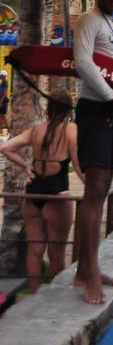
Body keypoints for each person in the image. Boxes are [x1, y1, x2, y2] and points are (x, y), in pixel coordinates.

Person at [73, 0, 113, 305]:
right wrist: (111, 101)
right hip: (96, 112)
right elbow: (83, 63)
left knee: (104, 189)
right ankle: (90, 273)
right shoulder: (89, 21)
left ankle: (85, 268)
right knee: (93, 191)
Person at [0, 89, 84, 292]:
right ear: (67, 109)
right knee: (57, 252)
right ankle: (54, 297)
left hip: (34, 191)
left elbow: (5, 148)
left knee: (34, 250)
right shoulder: (70, 129)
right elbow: (78, 163)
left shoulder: (37, 130)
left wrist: (26, 166)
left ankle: (34, 293)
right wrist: (91, 185)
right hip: (57, 193)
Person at [0, 69, 9, 133]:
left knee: (2, 115)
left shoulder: (4, 82)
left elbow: (5, 93)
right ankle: (2, 130)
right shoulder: (3, 82)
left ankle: (6, 130)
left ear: (3, 75)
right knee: (1, 115)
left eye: (0, 75)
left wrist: (1, 101)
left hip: (3, 101)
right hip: (2, 100)